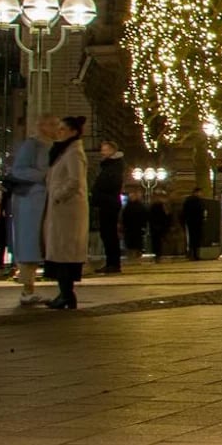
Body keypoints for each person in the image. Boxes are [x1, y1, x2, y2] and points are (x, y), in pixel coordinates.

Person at [6, 116, 57, 305]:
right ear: (42, 126)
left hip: (44, 198)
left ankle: (30, 286)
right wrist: (46, 176)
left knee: (38, 241)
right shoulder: (32, 145)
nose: (55, 128)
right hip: (31, 199)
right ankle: (27, 287)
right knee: (30, 240)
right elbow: (19, 170)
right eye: (52, 124)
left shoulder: (51, 145)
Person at [42, 116, 90, 310]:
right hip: (61, 210)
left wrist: (57, 196)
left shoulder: (73, 153)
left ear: (73, 131)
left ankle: (67, 294)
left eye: (63, 129)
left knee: (65, 253)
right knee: (60, 252)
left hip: (67, 210)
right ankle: (64, 293)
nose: (58, 132)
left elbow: (74, 180)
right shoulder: (64, 151)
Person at [91, 140, 126, 273]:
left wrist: (98, 192)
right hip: (107, 201)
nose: (102, 152)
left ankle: (113, 263)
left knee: (109, 234)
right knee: (107, 234)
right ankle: (111, 262)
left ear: (112, 150)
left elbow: (110, 183)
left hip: (108, 202)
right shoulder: (110, 165)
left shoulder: (113, 166)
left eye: (105, 149)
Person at [180, 187, 206, 261]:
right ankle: (194, 254)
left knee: (193, 239)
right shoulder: (195, 201)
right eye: (200, 192)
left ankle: (193, 254)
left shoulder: (190, 200)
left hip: (192, 222)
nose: (201, 194)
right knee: (194, 239)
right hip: (194, 222)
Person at [122, 189, 148, 260]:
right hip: (135, 227)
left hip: (132, 228)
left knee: (133, 242)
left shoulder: (128, 207)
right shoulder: (140, 206)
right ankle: (136, 254)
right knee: (136, 242)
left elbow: (124, 217)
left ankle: (133, 254)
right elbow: (144, 216)